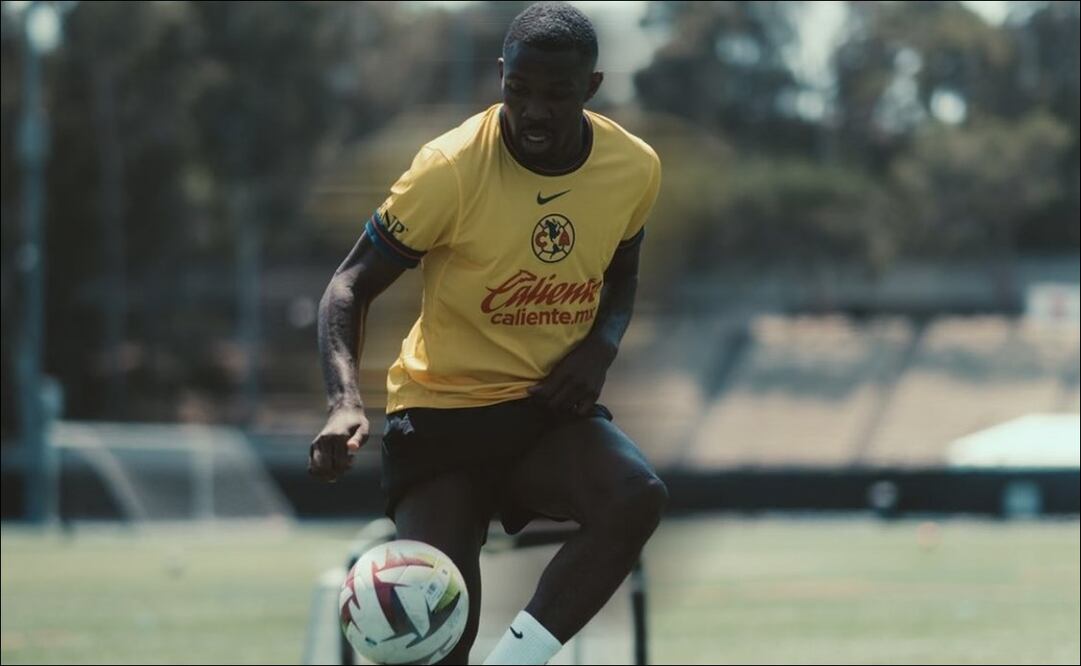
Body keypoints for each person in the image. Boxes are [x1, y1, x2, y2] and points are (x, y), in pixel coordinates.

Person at [310, 3, 665, 663]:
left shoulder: (633, 168)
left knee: (634, 496)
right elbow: (347, 286)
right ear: (501, 74)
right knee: (439, 635)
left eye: (556, 94)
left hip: (544, 413)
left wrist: (600, 346)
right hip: (441, 418)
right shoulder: (447, 168)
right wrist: (344, 402)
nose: (532, 110)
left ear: (590, 88)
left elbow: (623, 278)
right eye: (518, 89)